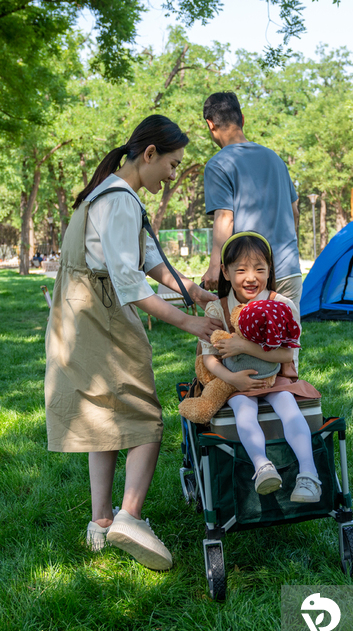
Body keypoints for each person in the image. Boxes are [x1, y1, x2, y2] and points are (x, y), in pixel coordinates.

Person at [45, 114, 222, 571]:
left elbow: (144, 260)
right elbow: (130, 283)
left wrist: (189, 290)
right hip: (101, 315)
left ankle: (100, 522)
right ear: (149, 155)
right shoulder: (122, 200)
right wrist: (187, 322)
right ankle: (131, 518)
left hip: (77, 314)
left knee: (102, 417)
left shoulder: (104, 190)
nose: (172, 174)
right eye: (172, 164)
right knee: (146, 416)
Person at [200, 231, 322, 503]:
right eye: (241, 269)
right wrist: (234, 379)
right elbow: (208, 358)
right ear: (226, 272)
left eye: (259, 269)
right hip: (236, 382)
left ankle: (309, 474)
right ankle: (262, 465)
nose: (251, 277)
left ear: (270, 270)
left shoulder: (281, 305)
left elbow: (286, 355)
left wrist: (243, 347)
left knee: (288, 407)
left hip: (275, 378)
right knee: (244, 410)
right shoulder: (216, 309)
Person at [201, 92, 302, 310]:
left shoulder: (218, 164)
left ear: (210, 125)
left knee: (246, 343)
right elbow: (295, 212)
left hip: (250, 277)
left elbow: (225, 218)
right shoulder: (276, 160)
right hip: (289, 270)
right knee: (288, 342)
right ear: (242, 119)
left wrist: (215, 267)